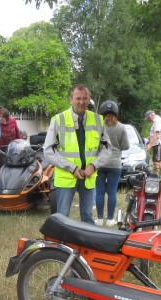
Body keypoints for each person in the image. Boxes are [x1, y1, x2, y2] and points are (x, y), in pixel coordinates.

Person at [43, 84, 112, 224]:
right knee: (62, 217)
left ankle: (86, 244)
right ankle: (60, 244)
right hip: (66, 176)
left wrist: (94, 165)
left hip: (88, 176)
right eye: (78, 98)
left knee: (87, 216)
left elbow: (107, 149)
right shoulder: (58, 120)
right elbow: (48, 150)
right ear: (71, 100)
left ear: (89, 99)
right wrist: (72, 168)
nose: (81, 102)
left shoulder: (98, 120)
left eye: (85, 98)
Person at [95, 100, 130, 227]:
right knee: (111, 192)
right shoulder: (121, 127)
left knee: (99, 191)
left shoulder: (98, 126)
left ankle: (99, 219)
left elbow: (94, 145)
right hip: (115, 164)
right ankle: (110, 219)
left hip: (99, 164)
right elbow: (126, 146)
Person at [145, 109, 161, 175]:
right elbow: (154, 134)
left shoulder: (157, 121)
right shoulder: (155, 121)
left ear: (152, 114)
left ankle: (158, 177)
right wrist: (148, 138)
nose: (149, 119)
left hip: (159, 143)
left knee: (157, 161)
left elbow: (156, 134)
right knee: (156, 160)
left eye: (149, 118)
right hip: (157, 144)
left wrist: (150, 145)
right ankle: (158, 177)